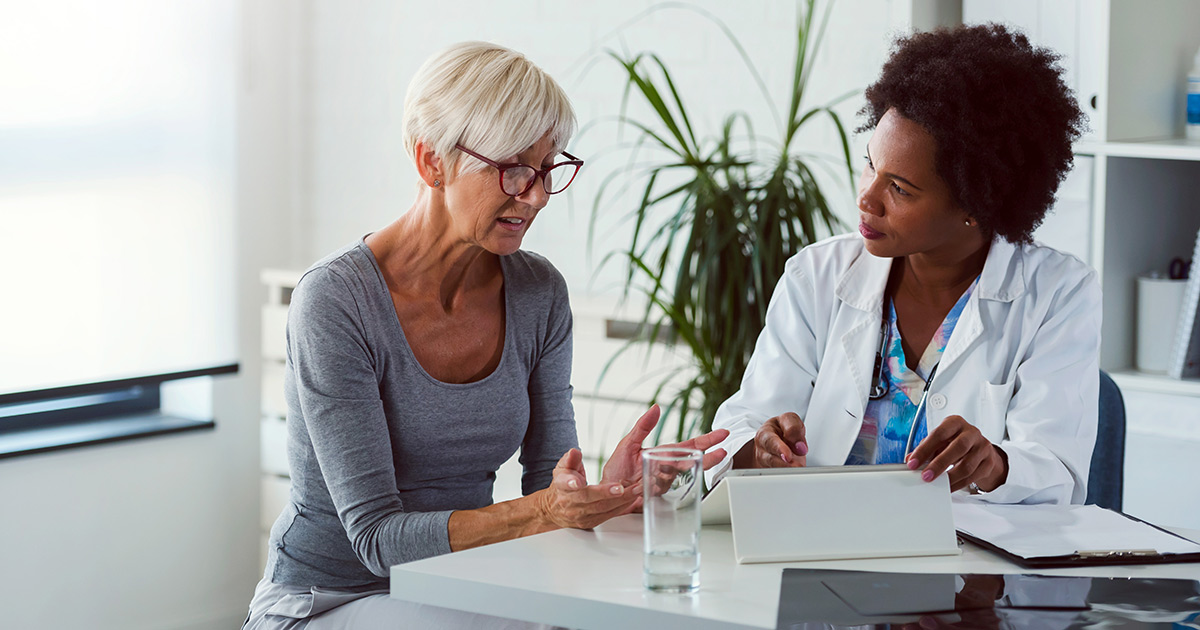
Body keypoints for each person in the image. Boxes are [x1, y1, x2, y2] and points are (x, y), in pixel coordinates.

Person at [244, 41, 728, 629]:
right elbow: (376, 539)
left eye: (548, 169)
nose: (537, 195)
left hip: (460, 589)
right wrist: (549, 510)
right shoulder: (337, 301)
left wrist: (602, 496)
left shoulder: (538, 292)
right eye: (514, 169)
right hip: (326, 599)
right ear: (432, 162)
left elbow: (549, 490)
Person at [705, 23, 1096, 506]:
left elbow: (1057, 471)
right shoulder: (816, 276)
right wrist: (758, 447)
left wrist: (994, 464)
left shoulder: (1057, 294)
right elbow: (737, 427)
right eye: (871, 164)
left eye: (900, 189)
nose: (866, 197)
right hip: (821, 554)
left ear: (977, 205)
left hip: (970, 569)